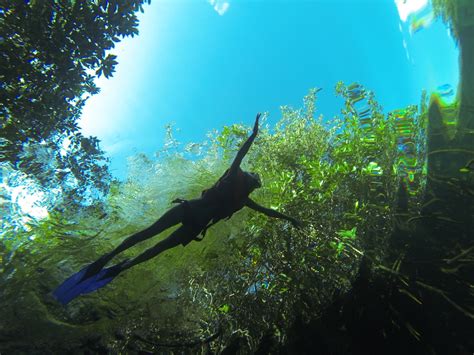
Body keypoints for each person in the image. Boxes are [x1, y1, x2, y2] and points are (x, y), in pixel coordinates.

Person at [53, 113, 301, 304]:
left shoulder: (235, 180)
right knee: (155, 245)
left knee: (148, 235)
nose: (252, 183)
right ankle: (120, 265)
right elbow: (267, 206)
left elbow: (243, 157)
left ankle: (112, 260)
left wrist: (255, 133)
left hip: (189, 212)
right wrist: (290, 219)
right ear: (253, 185)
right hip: (194, 224)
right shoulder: (241, 194)